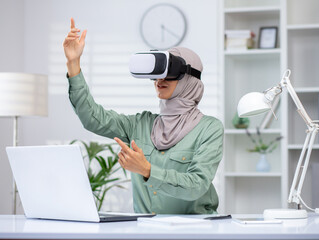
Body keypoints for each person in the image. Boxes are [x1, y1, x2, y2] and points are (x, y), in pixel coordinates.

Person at [63, 18, 224, 214]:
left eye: (169, 71)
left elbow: (197, 185)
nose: (160, 80)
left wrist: (148, 170)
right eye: (157, 72)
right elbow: (92, 118)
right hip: (145, 229)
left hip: (195, 229)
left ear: (190, 79)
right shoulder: (140, 124)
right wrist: (73, 63)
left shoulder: (209, 128)